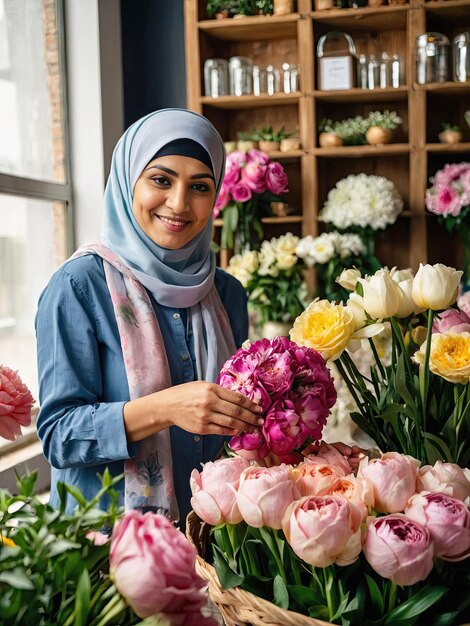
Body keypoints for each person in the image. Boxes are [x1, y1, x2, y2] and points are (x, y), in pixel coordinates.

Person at [35, 108, 263, 526]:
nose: (178, 203)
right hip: (105, 552)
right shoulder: (79, 285)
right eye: (161, 179)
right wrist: (165, 408)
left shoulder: (226, 293)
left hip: (210, 542)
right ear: (128, 181)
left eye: (199, 186)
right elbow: (58, 435)